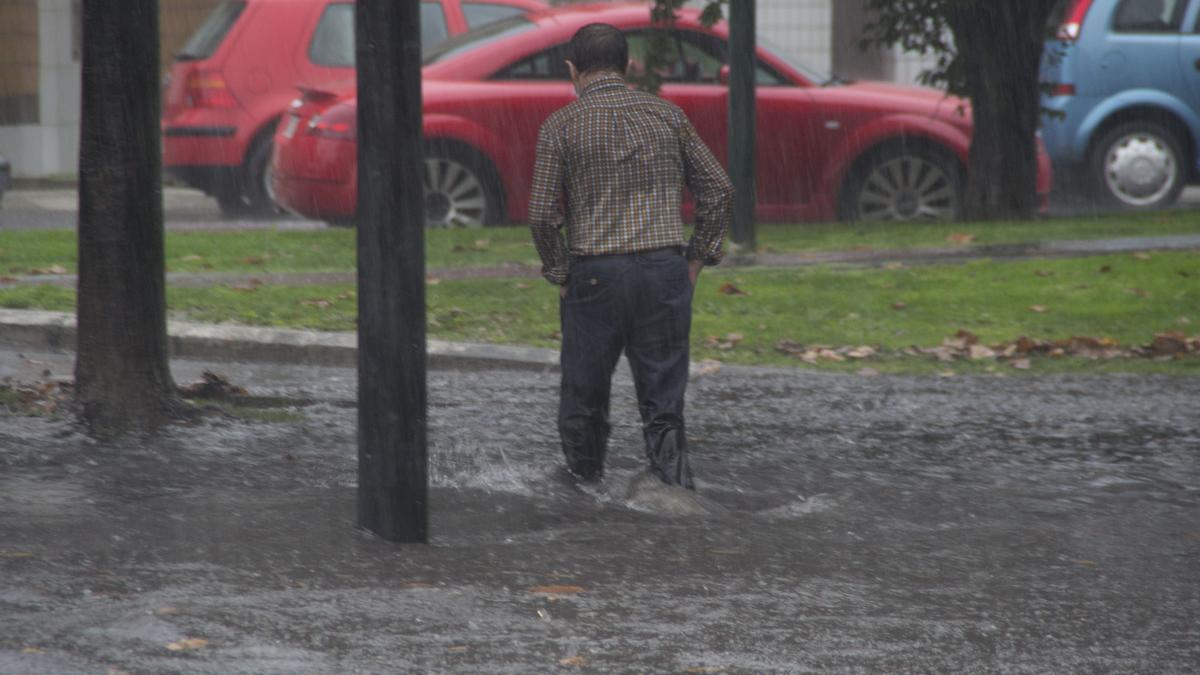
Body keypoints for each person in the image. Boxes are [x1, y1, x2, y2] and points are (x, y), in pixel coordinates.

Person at [527, 23, 734, 490]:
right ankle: (673, 494)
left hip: (593, 277)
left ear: (572, 70)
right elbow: (719, 191)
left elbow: (541, 215)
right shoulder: (667, 115)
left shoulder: (560, 126)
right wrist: (697, 261)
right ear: (629, 65)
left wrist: (560, 273)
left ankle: (584, 491)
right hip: (663, 272)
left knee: (584, 398)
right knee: (663, 405)